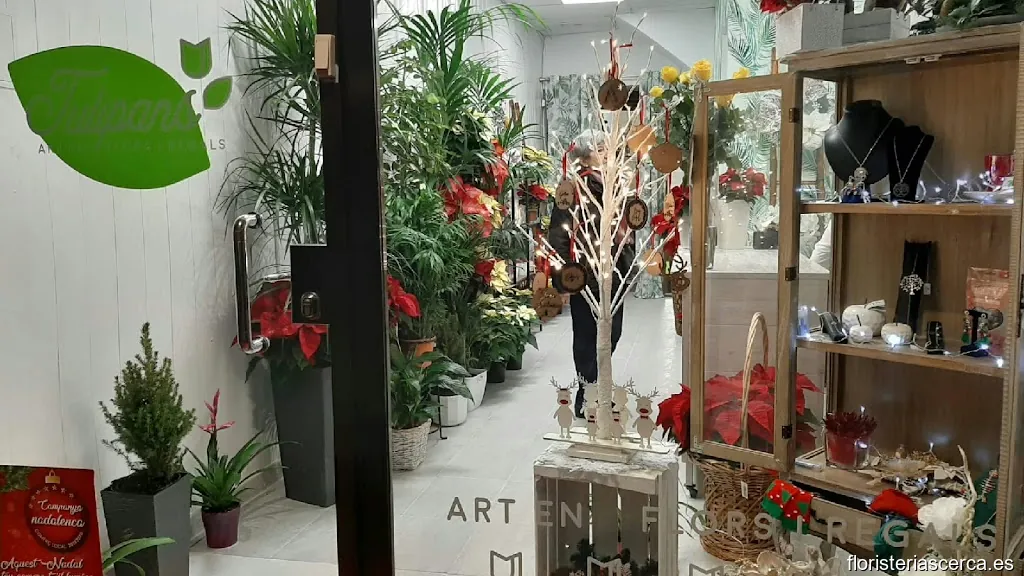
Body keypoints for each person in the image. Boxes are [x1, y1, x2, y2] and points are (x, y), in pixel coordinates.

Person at [548, 129, 634, 418]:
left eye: (607, 147)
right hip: (584, 274)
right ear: (584, 157)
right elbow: (558, 235)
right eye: (600, 147)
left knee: (612, 332)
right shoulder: (572, 189)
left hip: (614, 271)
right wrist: (565, 275)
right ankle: (588, 395)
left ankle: (596, 389)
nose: (607, 152)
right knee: (586, 337)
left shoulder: (615, 184)